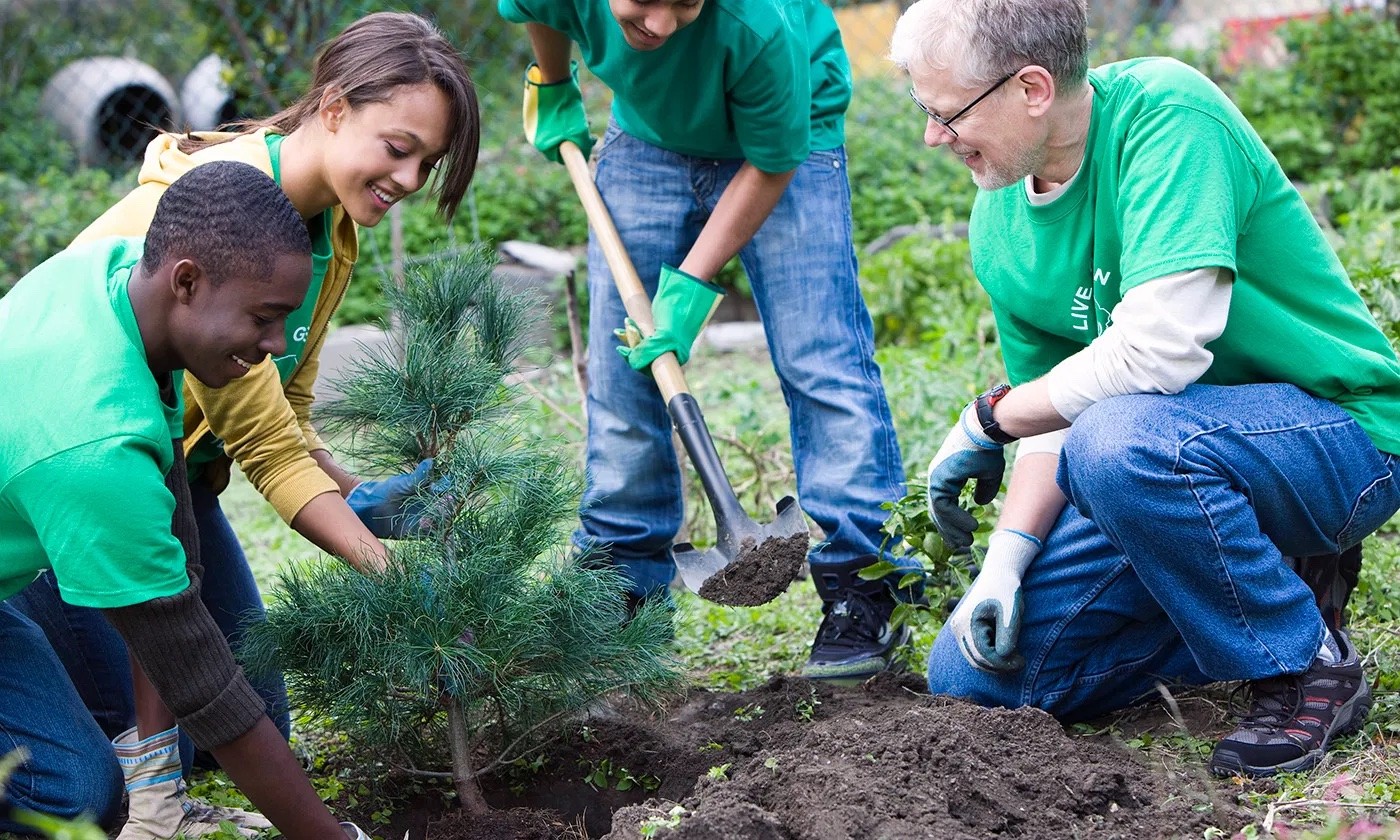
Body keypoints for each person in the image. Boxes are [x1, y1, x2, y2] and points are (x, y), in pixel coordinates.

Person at [890, 0, 1400, 777]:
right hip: (1170, 467)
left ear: (1031, 87)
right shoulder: (998, 220)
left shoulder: (1168, 116)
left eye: (945, 112)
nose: (932, 135)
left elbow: (1159, 351)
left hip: (1338, 437)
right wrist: (1007, 559)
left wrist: (986, 420)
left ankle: (1306, 663)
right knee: (974, 676)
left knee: (1119, 437)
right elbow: (1053, 412)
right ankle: (1266, 585)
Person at [8, 9, 480, 777]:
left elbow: (282, 412)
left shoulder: (330, 230)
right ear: (332, 107)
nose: (409, 181)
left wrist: (355, 491)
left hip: (178, 485)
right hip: (76, 483)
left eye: (427, 164)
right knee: (146, 736)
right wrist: (399, 582)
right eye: (399, 150)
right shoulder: (220, 219)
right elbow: (267, 450)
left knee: (251, 725)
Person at [497, 0, 918, 683]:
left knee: (821, 359)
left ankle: (863, 587)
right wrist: (553, 81)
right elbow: (538, 10)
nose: (659, 24)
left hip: (789, 137)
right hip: (648, 135)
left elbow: (772, 160)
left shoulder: (758, 24)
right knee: (621, 364)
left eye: (684, 2)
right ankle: (624, 584)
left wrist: (689, 288)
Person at [0, 161, 372, 838]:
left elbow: (174, 547)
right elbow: (197, 675)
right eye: (265, 318)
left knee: (184, 728)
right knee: (73, 795)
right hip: (51, 500)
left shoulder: (113, 283)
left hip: (17, 553)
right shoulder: (94, 441)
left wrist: (158, 775)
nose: (272, 348)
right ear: (188, 281)